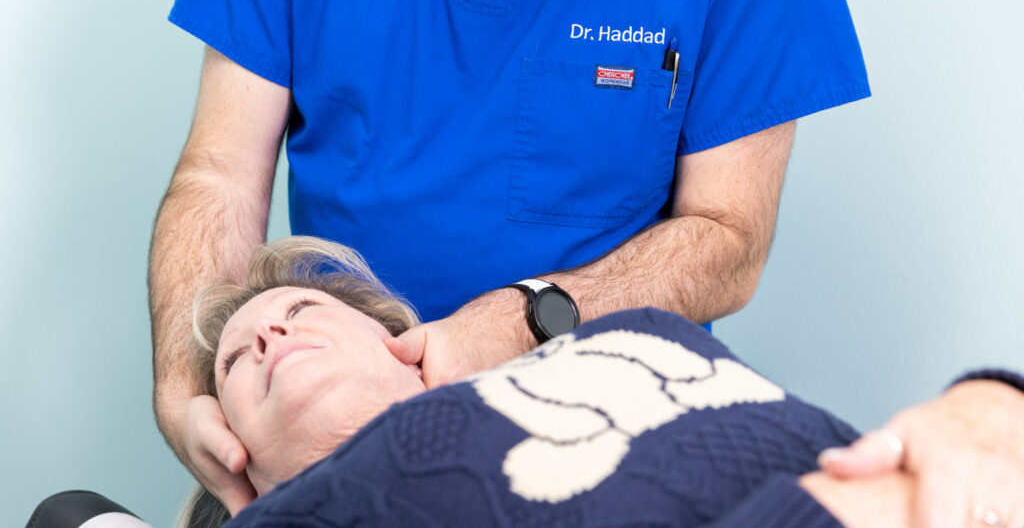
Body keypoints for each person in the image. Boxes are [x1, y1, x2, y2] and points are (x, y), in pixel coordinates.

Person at [151, 0, 874, 515]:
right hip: (338, 443)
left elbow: (727, 238)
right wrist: (187, 391)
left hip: (593, 429)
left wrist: (522, 321)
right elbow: (219, 174)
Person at [182, 237, 1024, 527]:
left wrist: (990, 404)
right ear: (234, 455)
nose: (270, 332)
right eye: (236, 360)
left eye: (300, 307)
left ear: (400, 342)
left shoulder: (631, 333)